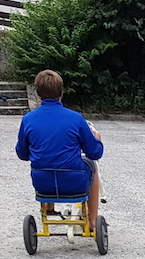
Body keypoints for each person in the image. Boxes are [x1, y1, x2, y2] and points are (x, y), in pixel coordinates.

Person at [15, 70, 104, 232]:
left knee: (44, 160)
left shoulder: (28, 119)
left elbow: (22, 154)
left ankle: (48, 206)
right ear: (62, 92)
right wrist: (96, 138)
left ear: (38, 93)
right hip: (74, 182)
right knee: (93, 167)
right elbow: (94, 153)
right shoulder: (76, 118)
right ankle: (92, 221)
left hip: (43, 183)